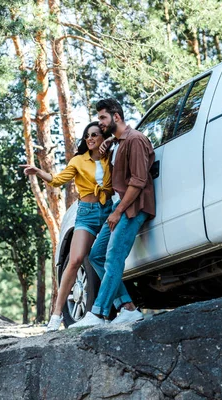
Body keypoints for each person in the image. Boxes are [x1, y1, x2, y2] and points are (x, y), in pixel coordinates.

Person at [20, 121, 114, 332]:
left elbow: (123, 137)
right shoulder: (79, 161)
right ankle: (55, 316)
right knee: (75, 260)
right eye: (87, 135)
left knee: (108, 259)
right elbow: (56, 180)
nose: (90, 138)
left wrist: (110, 140)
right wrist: (38, 172)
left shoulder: (111, 157)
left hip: (108, 210)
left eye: (95, 135)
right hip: (87, 214)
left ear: (102, 137)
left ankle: (110, 309)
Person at [70, 98, 155, 328]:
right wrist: (107, 145)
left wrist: (117, 211)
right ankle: (127, 308)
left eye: (103, 118)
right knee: (96, 255)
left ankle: (97, 313)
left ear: (116, 117)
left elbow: (138, 182)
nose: (100, 122)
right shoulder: (117, 143)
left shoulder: (135, 140)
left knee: (114, 257)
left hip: (132, 209)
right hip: (121, 209)